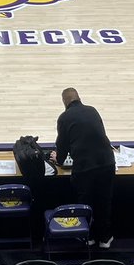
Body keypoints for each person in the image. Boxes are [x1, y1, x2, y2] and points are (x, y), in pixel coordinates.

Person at [50, 87, 116, 248]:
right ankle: (105, 238)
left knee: (85, 202)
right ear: (79, 98)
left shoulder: (64, 117)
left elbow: (62, 146)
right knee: (104, 200)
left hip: (85, 167)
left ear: (64, 102)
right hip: (107, 162)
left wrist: (58, 158)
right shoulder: (92, 110)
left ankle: (88, 236)